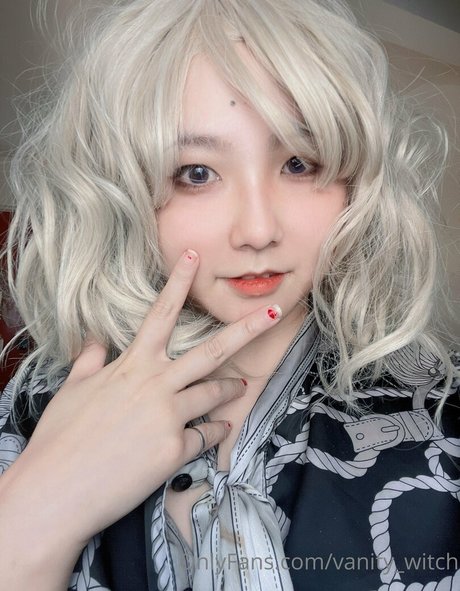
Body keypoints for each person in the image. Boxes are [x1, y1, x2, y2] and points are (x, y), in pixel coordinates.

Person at [0, 0, 458, 589]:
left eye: (299, 163)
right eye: (196, 173)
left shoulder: (442, 414)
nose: (258, 230)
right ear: (121, 189)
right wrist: (41, 508)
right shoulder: (39, 405)